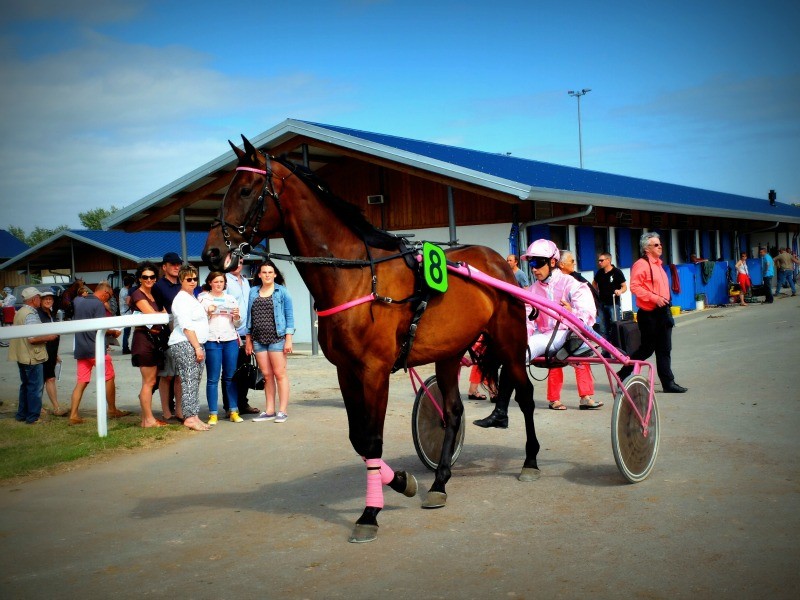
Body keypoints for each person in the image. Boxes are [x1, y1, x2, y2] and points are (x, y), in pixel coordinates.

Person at [474, 240, 596, 427]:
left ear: (552, 262)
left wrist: (571, 313)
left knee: (516, 356)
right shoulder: (532, 291)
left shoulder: (572, 284)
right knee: (512, 352)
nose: (533, 269)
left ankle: (500, 411)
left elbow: (587, 316)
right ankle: (501, 412)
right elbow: (527, 322)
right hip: (544, 336)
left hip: (567, 332)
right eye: (530, 263)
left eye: (538, 263)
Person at [617, 233, 687, 393]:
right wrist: (654, 298)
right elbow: (635, 287)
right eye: (656, 245)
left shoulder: (658, 265)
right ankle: (623, 374)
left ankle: (668, 383)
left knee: (665, 349)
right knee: (647, 349)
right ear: (646, 248)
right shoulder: (641, 264)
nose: (660, 246)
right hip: (649, 314)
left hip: (663, 312)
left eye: (660, 244)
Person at [67, 282, 131, 425]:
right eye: (108, 298)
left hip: (81, 348)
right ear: (105, 294)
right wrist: (113, 332)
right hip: (96, 349)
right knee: (109, 377)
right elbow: (101, 328)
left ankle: (73, 414)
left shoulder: (79, 301)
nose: (107, 301)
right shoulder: (98, 305)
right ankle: (112, 409)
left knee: (81, 381)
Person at [547, 251, 601, 410]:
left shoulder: (577, 280)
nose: (574, 263)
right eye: (571, 261)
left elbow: (585, 306)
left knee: (582, 359)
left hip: (576, 328)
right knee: (555, 362)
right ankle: (554, 399)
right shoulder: (550, 282)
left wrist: (573, 311)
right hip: (556, 330)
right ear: (561, 264)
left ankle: (586, 397)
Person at [247, 260, 295, 423]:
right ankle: (269, 410)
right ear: (259, 275)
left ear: (275, 274)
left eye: (270, 272)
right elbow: (249, 317)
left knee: (279, 374)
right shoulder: (253, 292)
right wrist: (248, 339)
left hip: (277, 338)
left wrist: (288, 339)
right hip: (259, 339)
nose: (267, 275)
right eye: (264, 272)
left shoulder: (282, 292)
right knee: (267, 376)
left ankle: (282, 411)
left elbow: (289, 317)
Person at [168, 264, 210, 431]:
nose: (192, 282)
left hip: (195, 343)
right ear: (181, 280)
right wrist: (197, 347)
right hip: (186, 343)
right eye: (189, 279)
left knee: (194, 381)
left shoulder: (192, 297)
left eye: (194, 279)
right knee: (189, 381)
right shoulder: (181, 300)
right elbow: (186, 326)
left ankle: (193, 415)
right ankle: (189, 417)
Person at [198, 271, 244, 425]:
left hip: (230, 340)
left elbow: (237, 324)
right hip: (212, 341)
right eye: (216, 282)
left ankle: (233, 410)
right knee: (212, 378)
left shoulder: (230, 299)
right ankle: (213, 413)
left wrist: (237, 317)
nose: (219, 285)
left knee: (230, 377)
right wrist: (209, 312)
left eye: (221, 282)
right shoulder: (203, 298)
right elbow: (200, 321)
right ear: (210, 283)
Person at [130, 261, 170, 428]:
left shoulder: (154, 293)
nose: (149, 279)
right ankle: (148, 420)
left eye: (152, 276)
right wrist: (160, 313)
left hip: (155, 340)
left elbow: (163, 314)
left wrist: (160, 314)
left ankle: (147, 418)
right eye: (145, 277)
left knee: (152, 381)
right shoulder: (138, 295)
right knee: (149, 382)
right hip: (143, 341)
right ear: (140, 278)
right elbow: (153, 316)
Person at [9, 288, 57, 424]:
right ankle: (32, 417)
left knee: (25, 386)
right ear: (34, 299)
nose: (40, 300)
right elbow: (32, 338)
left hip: (22, 355)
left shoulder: (20, 312)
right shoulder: (30, 314)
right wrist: (49, 337)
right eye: (38, 297)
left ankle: (22, 414)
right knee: (35, 388)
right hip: (32, 356)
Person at [225, 260, 259, 415]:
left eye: (239, 262)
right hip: (232, 331)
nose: (236, 265)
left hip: (247, 332)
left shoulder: (246, 281)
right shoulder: (225, 280)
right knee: (230, 371)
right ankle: (229, 406)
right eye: (233, 262)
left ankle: (243, 403)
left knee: (244, 369)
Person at [153, 252, 183, 416]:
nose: (176, 267)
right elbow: (156, 310)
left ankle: (179, 410)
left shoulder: (183, 284)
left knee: (179, 375)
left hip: (182, 334)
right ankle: (166, 410)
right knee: (166, 375)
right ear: (164, 267)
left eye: (178, 264)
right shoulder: (158, 286)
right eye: (172, 264)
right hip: (165, 336)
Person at [36, 291, 66, 416]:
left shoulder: (51, 314)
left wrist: (56, 353)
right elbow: (36, 335)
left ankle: (56, 407)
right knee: (41, 380)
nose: (48, 301)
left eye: (50, 299)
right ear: (41, 300)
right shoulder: (38, 315)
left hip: (52, 352)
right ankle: (38, 407)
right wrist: (49, 337)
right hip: (42, 351)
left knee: (50, 378)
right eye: (45, 299)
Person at [592, 252, 628, 340]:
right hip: (602, 304)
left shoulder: (617, 272)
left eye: (601, 260)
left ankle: (617, 348)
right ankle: (605, 351)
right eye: (599, 261)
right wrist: (595, 293)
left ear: (608, 260)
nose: (599, 262)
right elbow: (594, 283)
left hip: (613, 303)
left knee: (615, 326)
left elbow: (624, 286)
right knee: (603, 328)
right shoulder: (600, 272)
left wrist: (620, 291)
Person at [119, 274, 135, 354]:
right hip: (126, 313)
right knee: (126, 332)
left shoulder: (122, 290)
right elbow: (129, 303)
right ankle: (125, 348)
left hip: (124, 312)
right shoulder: (126, 292)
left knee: (127, 332)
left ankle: (126, 347)